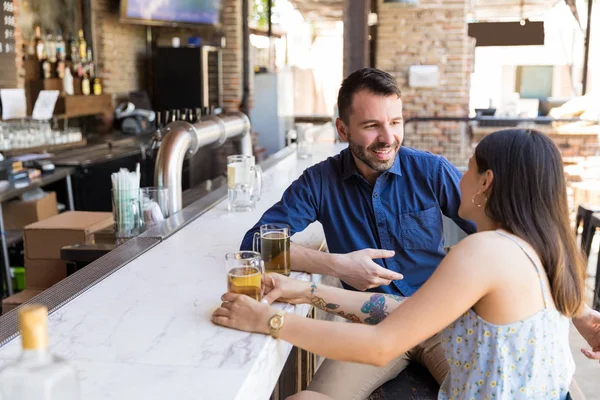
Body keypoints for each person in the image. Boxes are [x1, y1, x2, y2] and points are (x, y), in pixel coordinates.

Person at [214, 129, 593, 399]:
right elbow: (408, 311)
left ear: (486, 182)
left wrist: (267, 320)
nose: (459, 177)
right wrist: (307, 288)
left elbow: (380, 345)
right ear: (343, 128)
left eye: (469, 169)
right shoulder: (540, 246)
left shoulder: (483, 250)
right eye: (371, 125)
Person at [239, 68, 476, 397]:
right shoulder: (319, 181)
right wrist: (337, 265)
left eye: (395, 123)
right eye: (371, 126)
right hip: (372, 326)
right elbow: (255, 243)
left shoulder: (430, 170)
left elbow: (495, 233)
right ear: (342, 129)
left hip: (440, 320)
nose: (387, 138)